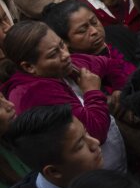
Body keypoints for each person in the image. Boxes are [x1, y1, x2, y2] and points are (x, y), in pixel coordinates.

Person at [2, 19, 128, 172]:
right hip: (94, 180)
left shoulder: (65, 66)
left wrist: (119, 90)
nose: (66, 55)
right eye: (53, 54)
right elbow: (95, 133)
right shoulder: (34, 93)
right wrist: (92, 92)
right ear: (29, 67)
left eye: (61, 45)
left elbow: (111, 64)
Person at [4, 104, 103, 188]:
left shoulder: (87, 175)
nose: (95, 142)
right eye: (80, 145)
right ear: (53, 171)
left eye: (86, 132)